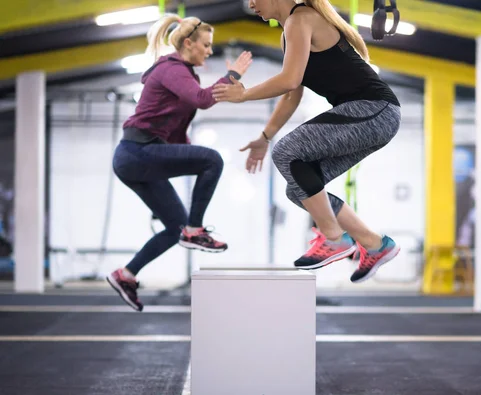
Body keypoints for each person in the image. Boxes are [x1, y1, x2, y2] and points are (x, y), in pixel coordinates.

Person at [212, 0, 401, 283]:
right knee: (299, 188)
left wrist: (244, 94)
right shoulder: (290, 30)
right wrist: (264, 138)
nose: (250, 4)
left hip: (374, 109)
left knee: (288, 151)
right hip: (371, 115)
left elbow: (288, 80)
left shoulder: (301, 19)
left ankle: (334, 238)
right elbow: (292, 94)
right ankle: (374, 244)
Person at [107, 14, 253, 311]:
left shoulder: (182, 74)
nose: (210, 51)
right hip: (136, 151)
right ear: (189, 43)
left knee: (175, 227)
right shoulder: (171, 69)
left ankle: (126, 275)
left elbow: (176, 136)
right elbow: (201, 99)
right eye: (207, 45)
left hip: (143, 156)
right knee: (211, 159)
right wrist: (232, 77)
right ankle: (196, 230)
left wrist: (187, 161)